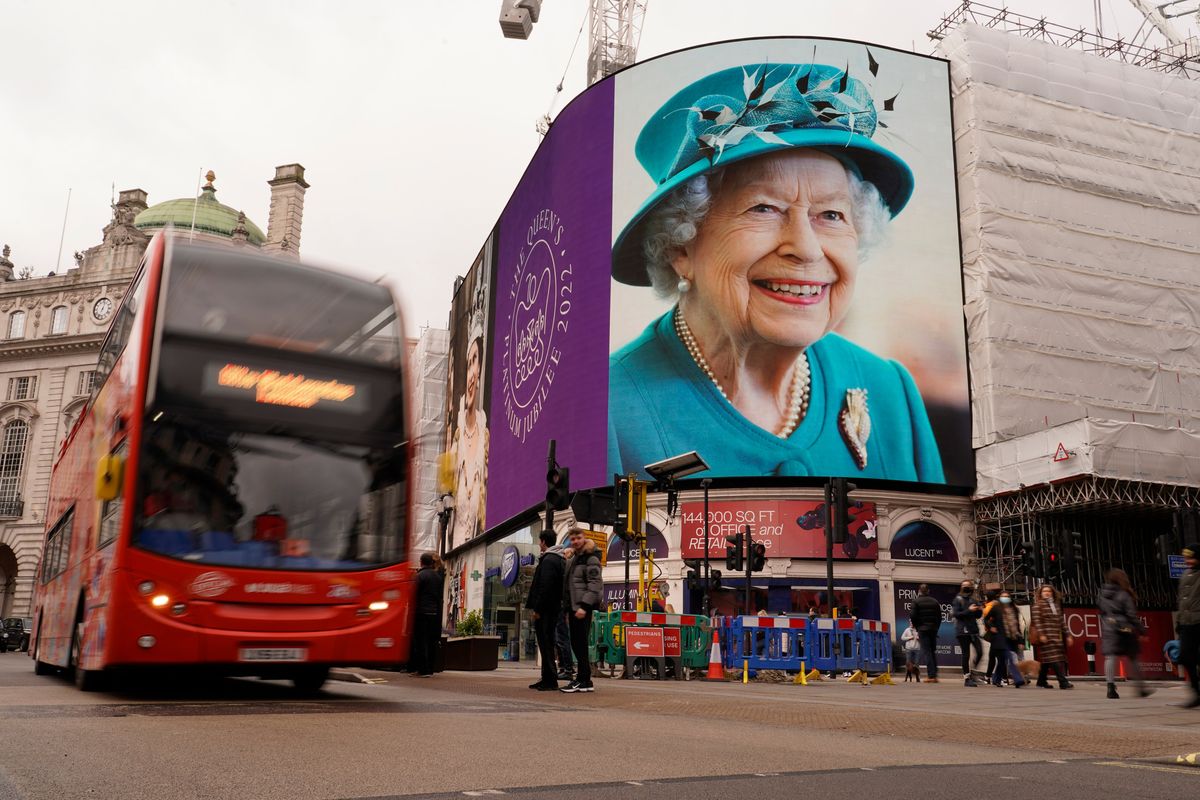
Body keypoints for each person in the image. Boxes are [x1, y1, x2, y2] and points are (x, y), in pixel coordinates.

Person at [608, 60, 945, 483]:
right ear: (680, 247)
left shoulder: (890, 393)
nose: (805, 248)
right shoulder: (608, 410)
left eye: (832, 214)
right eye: (764, 208)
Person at [560, 527, 603, 693]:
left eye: (578, 538)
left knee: (580, 644)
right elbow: (569, 583)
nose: (575, 541)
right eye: (572, 539)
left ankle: (583, 679)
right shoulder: (577, 557)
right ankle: (584, 680)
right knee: (577, 644)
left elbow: (595, 584)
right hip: (573, 607)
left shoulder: (590, 558)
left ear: (584, 538)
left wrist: (584, 607)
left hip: (581, 608)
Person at [1098, 568, 1152, 699]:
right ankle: (1141, 688)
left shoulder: (1102, 594)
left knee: (1110, 657)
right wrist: (1142, 630)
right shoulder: (1124, 594)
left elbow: (1101, 611)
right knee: (1133, 658)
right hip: (1125, 628)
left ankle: (1110, 688)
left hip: (1109, 627)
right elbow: (1131, 615)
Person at [526, 530, 567, 691]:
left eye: (539, 541)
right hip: (552, 608)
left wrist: (538, 609)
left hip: (546, 610)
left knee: (546, 644)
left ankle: (550, 680)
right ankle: (546, 678)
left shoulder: (549, 560)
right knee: (546, 644)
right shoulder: (555, 558)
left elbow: (545, 587)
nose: (539, 544)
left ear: (543, 542)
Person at [1030, 583, 1073, 690]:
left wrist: (1068, 635)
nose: (1047, 593)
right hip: (1045, 637)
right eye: (1044, 591)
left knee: (1047, 661)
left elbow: (1062, 622)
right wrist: (1041, 634)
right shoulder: (1037, 606)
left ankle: (1041, 681)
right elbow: (1037, 622)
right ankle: (1063, 682)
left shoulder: (1056, 606)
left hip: (1055, 637)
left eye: (1049, 591)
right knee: (1055, 659)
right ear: (1040, 593)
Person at [411, 552, 444, 678]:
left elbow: (414, 594)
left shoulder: (419, 576)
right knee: (431, 641)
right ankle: (430, 669)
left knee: (420, 642)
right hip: (434, 613)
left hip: (421, 612)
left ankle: (422, 670)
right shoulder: (437, 577)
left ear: (421, 562)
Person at [984, 590, 1025, 688]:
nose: (1005, 598)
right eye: (1003, 596)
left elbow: (1017, 625)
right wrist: (991, 627)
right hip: (1000, 637)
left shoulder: (1014, 609)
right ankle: (1018, 679)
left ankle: (996, 679)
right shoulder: (996, 608)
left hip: (1013, 638)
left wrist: (1020, 640)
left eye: (1007, 596)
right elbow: (986, 619)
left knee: (1002, 660)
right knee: (1010, 658)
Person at [1176, 542, 1200, 708]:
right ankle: (1196, 691)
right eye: (1186, 558)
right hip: (1187, 623)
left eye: (1190, 558)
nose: (1187, 561)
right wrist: (1179, 620)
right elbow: (1181, 600)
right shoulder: (1185, 575)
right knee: (1184, 657)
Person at [951, 580, 984, 687]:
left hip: (973, 630)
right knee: (966, 654)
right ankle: (967, 677)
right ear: (961, 587)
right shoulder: (958, 599)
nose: (966, 588)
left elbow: (978, 616)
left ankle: (973, 672)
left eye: (968, 586)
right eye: (964, 586)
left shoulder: (973, 599)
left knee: (980, 651)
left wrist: (979, 610)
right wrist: (969, 610)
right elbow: (956, 614)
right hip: (962, 631)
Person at [909, 584, 942, 683]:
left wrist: (917, 626)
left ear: (919, 591)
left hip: (923, 630)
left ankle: (931, 676)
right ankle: (934, 674)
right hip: (933, 629)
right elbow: (939, 617)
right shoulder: (935, 601)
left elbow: (912, 615)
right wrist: (936, 628)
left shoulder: (916, 601)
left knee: (927, 652)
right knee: (932, 651)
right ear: (928, 591)